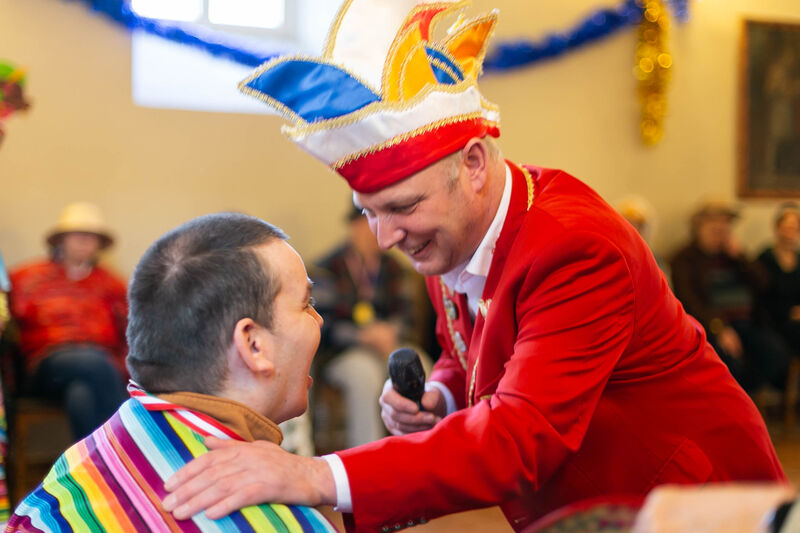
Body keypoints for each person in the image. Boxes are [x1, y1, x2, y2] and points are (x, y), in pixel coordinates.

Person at [162, 2, 786, 531]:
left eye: (402, 206)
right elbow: (472, 348)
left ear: (474, 165)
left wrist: (315, 475)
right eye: (369, 211)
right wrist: (441, 392)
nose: (385, 237)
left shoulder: (576, 249)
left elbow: (518, 438)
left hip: (683, 500)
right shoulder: (453, 232)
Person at [7, 213, 338, 532]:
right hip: (48, 364)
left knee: (86, 386)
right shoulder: (291, 523)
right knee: (89, 365)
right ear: (253, 344)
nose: (319, 320)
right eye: (307, 304)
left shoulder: (55, 488)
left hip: (103, 375)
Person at [8, 202, 128, 440]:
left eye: (91, 236)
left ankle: (93, 461)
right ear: (60, 240)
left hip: (97, 368)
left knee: (80, 394)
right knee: (92, 360)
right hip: (46, 367)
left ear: (99, 244)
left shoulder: (112, 285)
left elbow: (130, 332)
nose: (84, 240)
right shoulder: (26, 278)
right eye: (77, 234)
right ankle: (127, 446)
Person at [313, 205, 421, 448]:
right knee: (364, 374)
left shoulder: (392, 267)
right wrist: (362, 336)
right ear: (354, 226)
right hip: (343, 353)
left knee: (419, 363)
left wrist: (390, 332)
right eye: (369, 221)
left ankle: (420, 445)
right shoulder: (326, 268)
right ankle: (368, 451)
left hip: (387, 346)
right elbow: (323, 326)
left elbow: (407, 315)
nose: (376, 231)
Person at [670, 199, 792, 392]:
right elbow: (689, 301)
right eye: (714, 226)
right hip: (712, 325)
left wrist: (740, 256)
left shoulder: (733, 255)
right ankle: (735, 398)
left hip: (747, 323)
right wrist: (720, 328)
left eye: (724, 226)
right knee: (728, 362)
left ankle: (741, 395)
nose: (720, 231)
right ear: (699, 227)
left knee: (777, 355)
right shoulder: (684, 259)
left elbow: (764, 284)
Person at [754, 202, 800, 354]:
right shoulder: (765, 258)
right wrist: (788, 313)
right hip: (774, 321)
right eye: (787, 228)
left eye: (795, 228)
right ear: (777, 228)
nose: (790, 233)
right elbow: (761, 296)